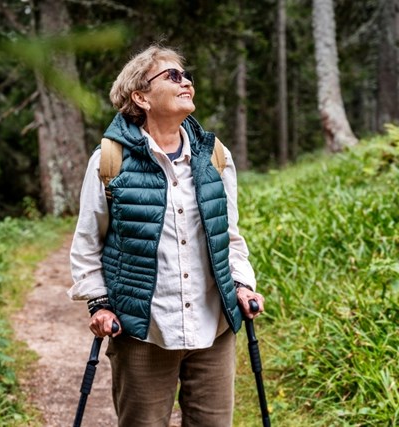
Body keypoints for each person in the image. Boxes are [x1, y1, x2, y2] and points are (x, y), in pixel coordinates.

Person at [68, 44, 265, 426]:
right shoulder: (109, 161)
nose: (185, 81)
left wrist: (242, 284)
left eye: (186, 75)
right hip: (145, 331)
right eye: (172, 76)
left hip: (215, 329)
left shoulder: (215, 158)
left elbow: (231, 237)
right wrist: (99, 304)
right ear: (140, 96)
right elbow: (87, 244)